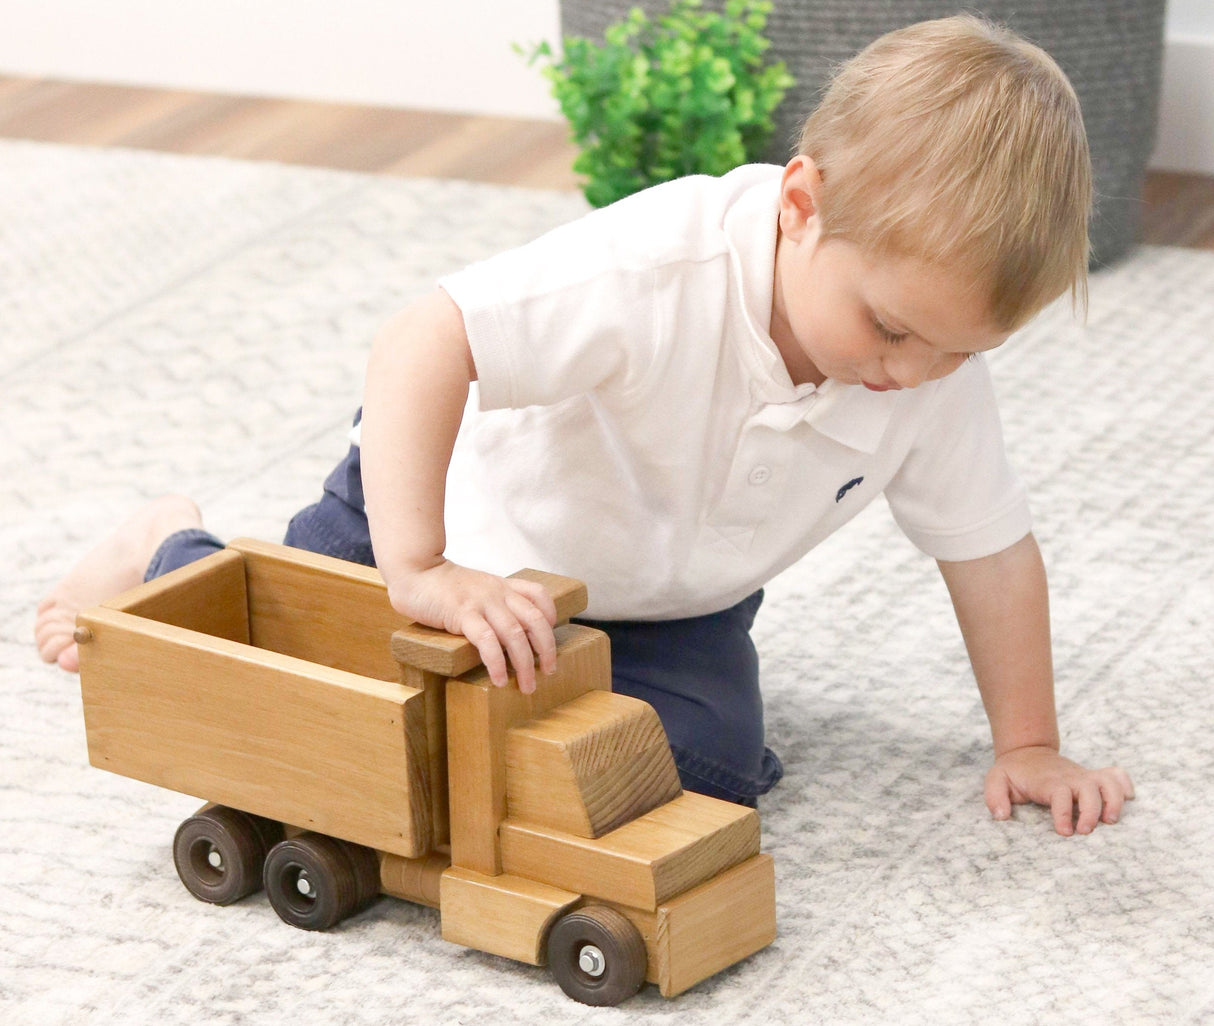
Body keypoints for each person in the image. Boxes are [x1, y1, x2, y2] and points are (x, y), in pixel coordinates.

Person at [36, 15, 1133, 835]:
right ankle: (165, 550)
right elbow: (424, 337)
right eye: (892, 329)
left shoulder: (927, 373)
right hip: (442, 524)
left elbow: (989, 552)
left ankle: (521, 706)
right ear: (799, 205)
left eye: (958, 352)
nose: (915, 375)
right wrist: (421, 568)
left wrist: (1027, 743)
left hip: (658, 607)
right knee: (302, 713)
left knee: (705, 773)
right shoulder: (659, 267)